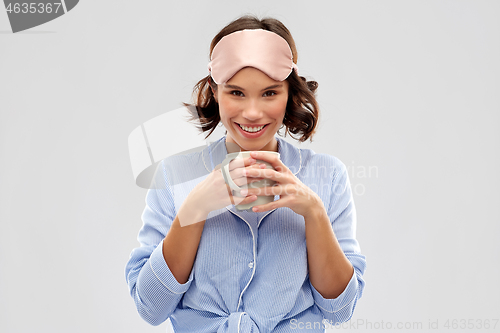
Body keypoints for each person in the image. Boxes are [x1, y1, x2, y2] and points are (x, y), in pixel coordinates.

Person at [125, 15, 366, 333]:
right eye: (236, 93)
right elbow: (151, 308)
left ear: (289, 93)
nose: (252, 112)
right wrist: (195, 208)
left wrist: (314, 213)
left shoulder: (327, 175)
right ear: (215, 90)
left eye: (269, 93)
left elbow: (339, 310)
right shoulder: (175, 174)